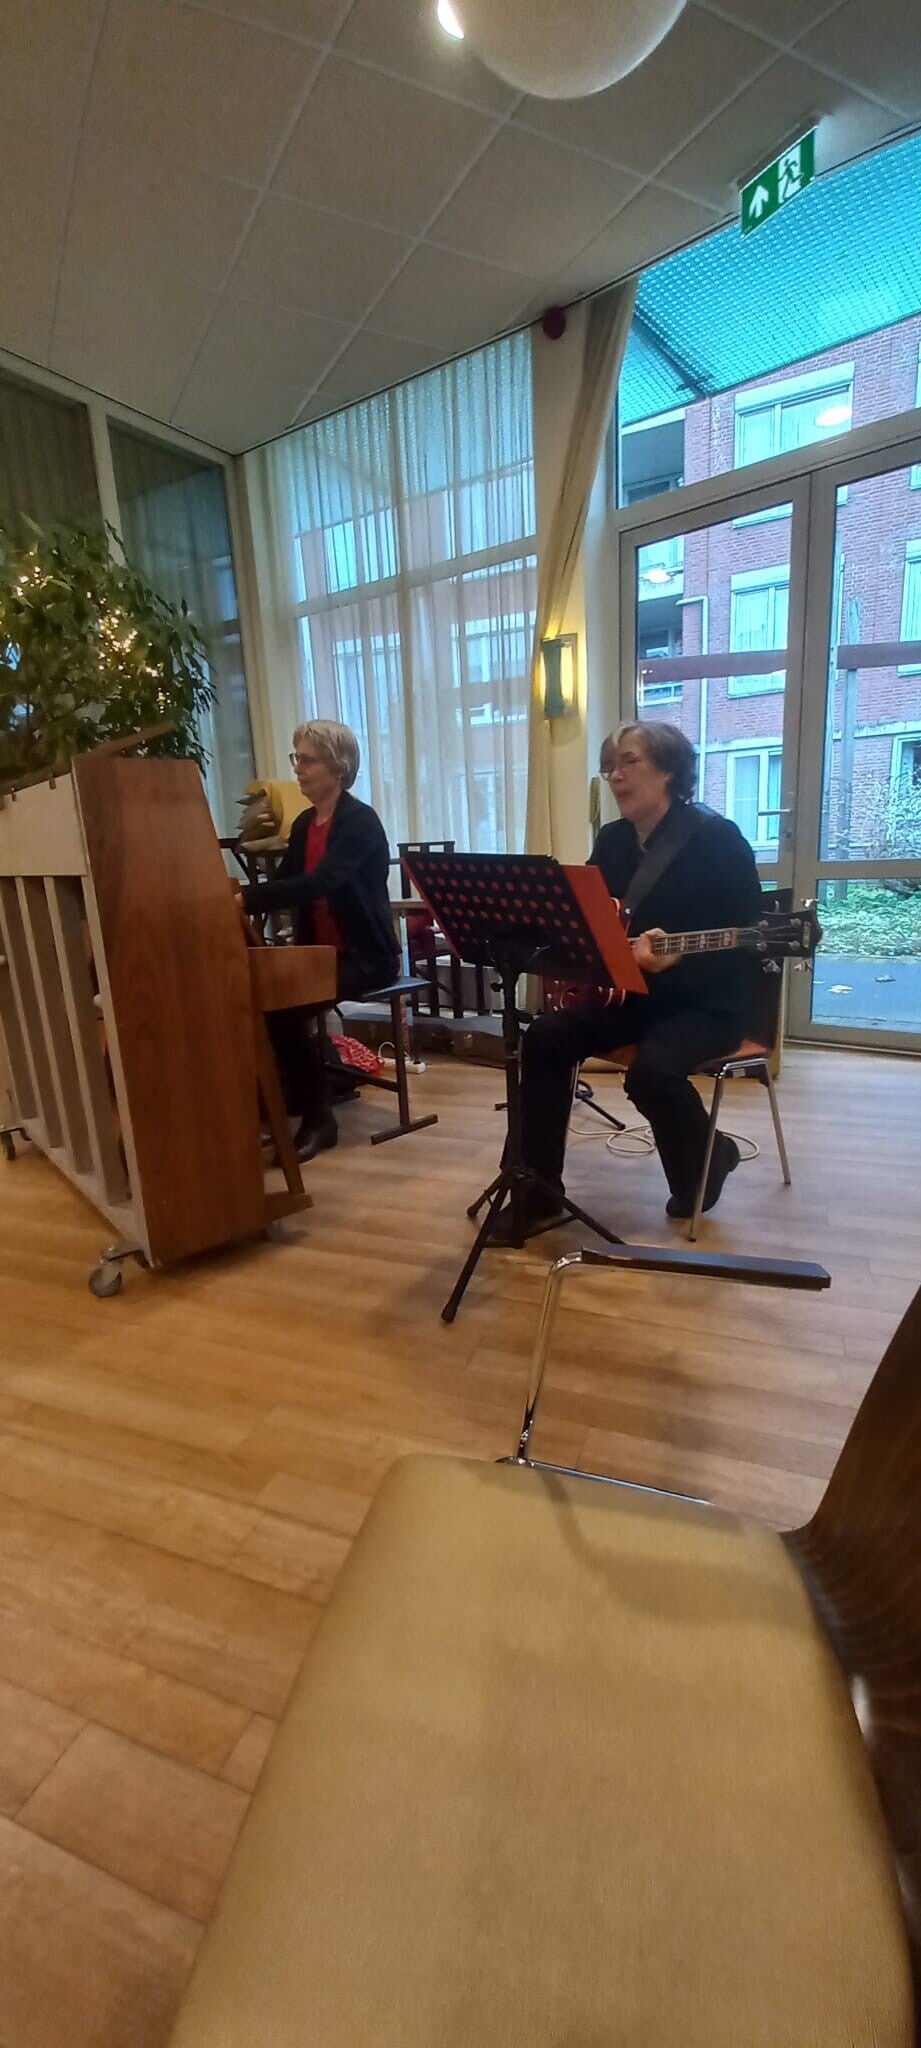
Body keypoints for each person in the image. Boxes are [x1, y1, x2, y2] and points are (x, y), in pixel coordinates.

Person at [492, 720, 763, 1241]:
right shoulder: (613, 841)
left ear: (669, 770)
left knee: (651, 1073)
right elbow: (595, 919)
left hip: (708, 1003)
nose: (615, 776)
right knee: (545, 1037)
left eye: (629, 762)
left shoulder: (718, 839)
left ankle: (710, 1156)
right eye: (609, 767)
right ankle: (538, 1193)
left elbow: (750, 939)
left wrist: (678, 961)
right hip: (634, 998)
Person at [241, 720, 398, 1160]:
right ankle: (298, 1101)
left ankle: (318, 1120)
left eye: (308, 760)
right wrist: (233, 896)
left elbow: (321, 883)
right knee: (269, 1002)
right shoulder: (304, 824)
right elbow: (284, 882)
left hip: (366, 957)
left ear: (338, 767)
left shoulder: (360, 822)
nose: (298, 769)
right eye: (297, 758)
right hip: (320, 956)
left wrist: (245, 898)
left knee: (285, 1009)